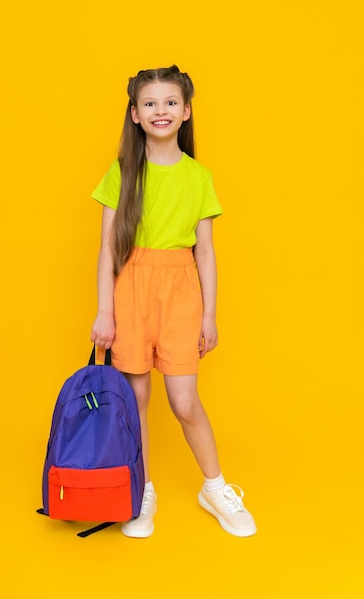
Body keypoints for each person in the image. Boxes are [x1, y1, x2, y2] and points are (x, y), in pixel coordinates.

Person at [91, 65, 256, 538]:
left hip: (182, 290)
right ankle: (141, 490)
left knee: (184, 400)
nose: (159, 110)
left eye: (169, 103)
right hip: (131, 289)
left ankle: (215, 487)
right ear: (135, 114)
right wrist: (105, 311)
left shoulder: (198, 176)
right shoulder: (122, 172)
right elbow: (106, 250)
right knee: (135, 397)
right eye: (149, 103)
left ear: (185, 112)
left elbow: (205, 249)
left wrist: (209, 313)